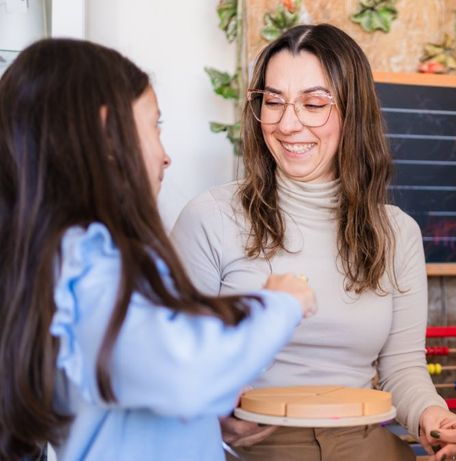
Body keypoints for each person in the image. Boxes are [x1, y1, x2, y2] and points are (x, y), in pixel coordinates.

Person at [0, 38, 317, 461]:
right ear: (109, 132)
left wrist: (207, 412)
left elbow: (141, 372)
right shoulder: (89, 261)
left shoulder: (71, 258)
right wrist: (277, 304)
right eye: (155, 125)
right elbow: (182, 370)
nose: (166, 157)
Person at [171, 23, 456, 461]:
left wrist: (433, 415)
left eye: (314, 104)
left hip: (365, 439)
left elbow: (402, 368)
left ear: (354, 113)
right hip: (252, 447)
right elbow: (177, 364)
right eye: (273, 101)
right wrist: (211, 417)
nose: (287, 123)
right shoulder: (209, 218)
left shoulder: (397, 233)